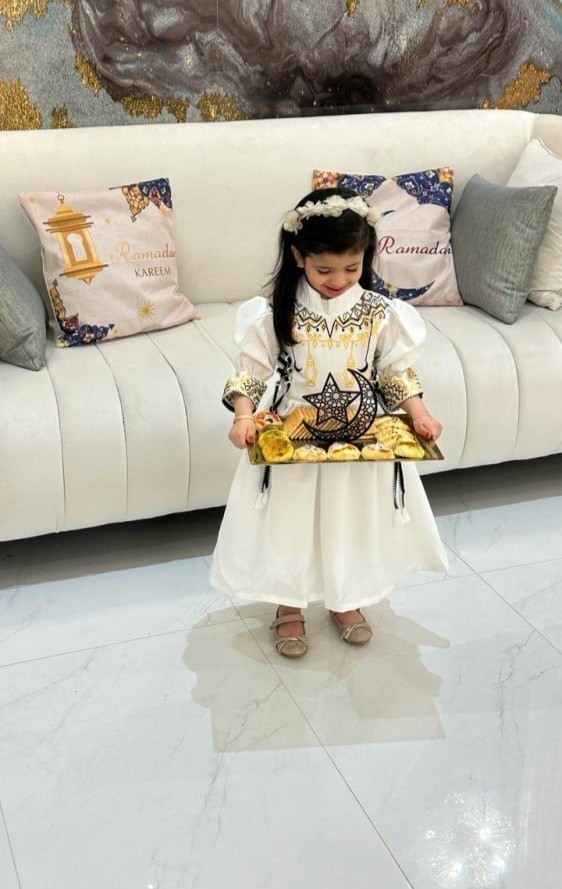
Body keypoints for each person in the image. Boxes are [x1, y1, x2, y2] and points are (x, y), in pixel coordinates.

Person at [209, 187, 448, 658]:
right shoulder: (275, 311)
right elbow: (250, 373)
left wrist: (419, 414)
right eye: (324, 270)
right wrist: (242, 416)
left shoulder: (380, 313)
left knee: (349, 522)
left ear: (366, 258)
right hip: (293, 439)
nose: (338, 280)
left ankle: (347, 597)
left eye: (351, 268)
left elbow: (394, 372)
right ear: (299, 257)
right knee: (290, 524)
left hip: (359, 438)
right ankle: (288, 605)